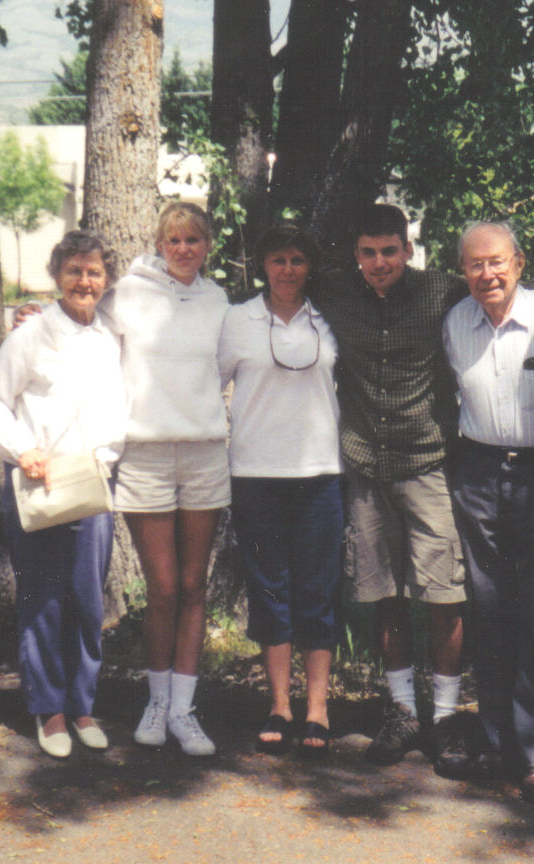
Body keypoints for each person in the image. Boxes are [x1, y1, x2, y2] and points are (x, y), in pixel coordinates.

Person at [312, 204, 470, 776]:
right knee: (385, 593)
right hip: (364, 465)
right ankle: (402, 710)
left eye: (389, 251)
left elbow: (497, 290)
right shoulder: (334, 291)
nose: (379, 263)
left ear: (407, 249)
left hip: (427, 464)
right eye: (368, 253)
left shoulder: (442, 292)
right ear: (355, 255)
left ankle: (446, 717)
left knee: (444, 592)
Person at [0, 231, 127, 759]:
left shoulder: (110, 337)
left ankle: (82, 706)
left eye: (94, 272)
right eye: (74, 271)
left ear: (106, 281)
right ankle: (50, 711)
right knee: (43, 600)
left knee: (88, 600)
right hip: (39, 482)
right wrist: (22, 450)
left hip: (92, 484)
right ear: (57, 275)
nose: (84, 281)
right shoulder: (32, 334)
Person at [443, 221, 534, 800]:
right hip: (477, 472)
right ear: (462, 270)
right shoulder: (455, 323)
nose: (487, 274)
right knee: (489, 607)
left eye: (497, 261)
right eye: (475, 264)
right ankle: (496, 741)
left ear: (519, 263)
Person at [108, 202, 230, 756]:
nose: (183, 249)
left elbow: (228, 366)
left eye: (193, 240)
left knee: (192, 586)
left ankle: (184, 710)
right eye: (174, 240)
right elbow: (80, 328)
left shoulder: (218, 300)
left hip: (204, 454)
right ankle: (156, 703)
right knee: (161, 588)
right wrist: (33, 316)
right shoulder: (127, 294)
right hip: (146, 454)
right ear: (160, 244)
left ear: (207, 247)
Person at [218, 225, 343, 758]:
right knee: (270, 590)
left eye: (296, 260)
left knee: (318, 590)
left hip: (320, 474)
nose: (287, 269)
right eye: (277, 260)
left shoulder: (330, 319)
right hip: (256, 476)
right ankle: (278, 705)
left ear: (309, 267)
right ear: (262, 265)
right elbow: (205, 383)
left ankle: (317, 708)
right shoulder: (237, 320)